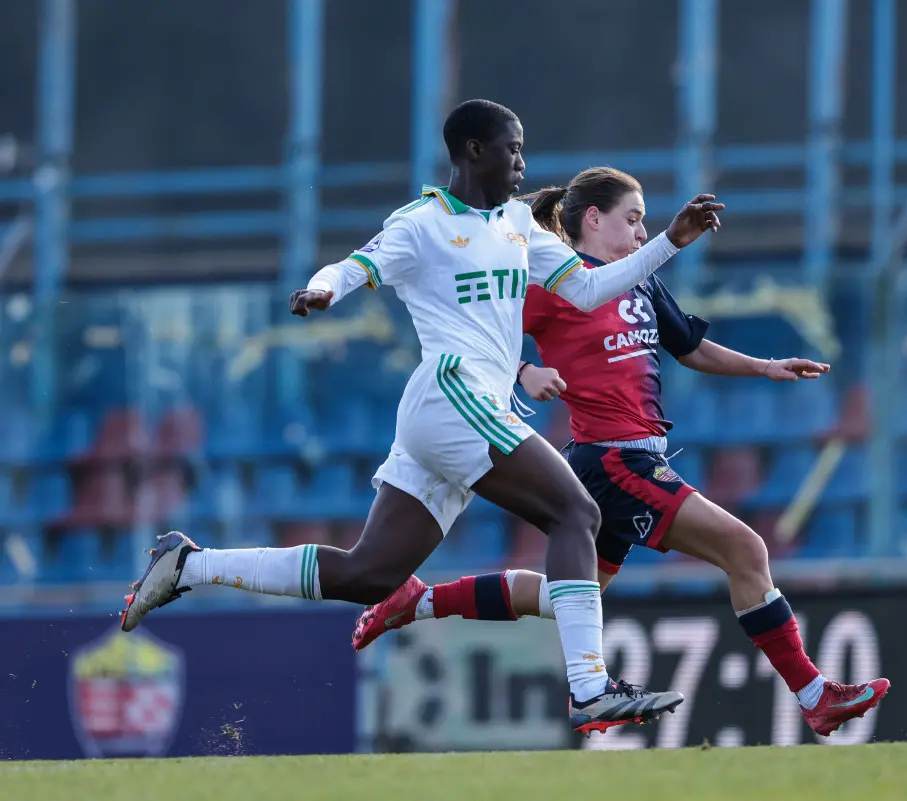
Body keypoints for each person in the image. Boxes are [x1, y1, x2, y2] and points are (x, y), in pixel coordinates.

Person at [119, 100, 725, 735]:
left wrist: (668, 243)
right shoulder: (424, 222)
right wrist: (326, 289)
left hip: (458, 411)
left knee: (369, 574)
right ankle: (589, 687)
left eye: (521, 149)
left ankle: (188, 564)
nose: (521, 161)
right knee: (576, 512)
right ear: (471, 151)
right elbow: (357, 264)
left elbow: (590, 289)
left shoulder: (520, 225)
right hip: (451, 393)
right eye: (510, 147)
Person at [351, 166, 889, 737]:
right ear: (592, 219)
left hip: (622, 459)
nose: (640, 233)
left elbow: (688, 346)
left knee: (567, 597)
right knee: (745, 548)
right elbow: (471, 334)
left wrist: (764, 367)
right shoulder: (553, 283)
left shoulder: (640, 280)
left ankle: (419, 601)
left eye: (644, 223)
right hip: (614, 460)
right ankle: (814, 694)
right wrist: (525, 369)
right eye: (632, 220)